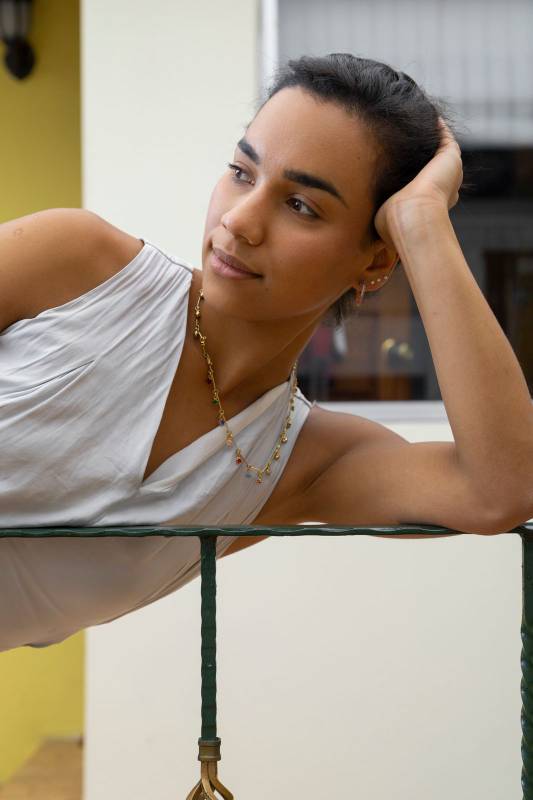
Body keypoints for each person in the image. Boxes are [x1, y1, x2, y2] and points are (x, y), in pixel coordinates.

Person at [1, 53, 532, 652]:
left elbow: (500, 490)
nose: (240, 220)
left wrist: (422, 220)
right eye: (241, 172)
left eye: (301, 205)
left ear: (377, 260)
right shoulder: (76, 268)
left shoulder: (299, 464)